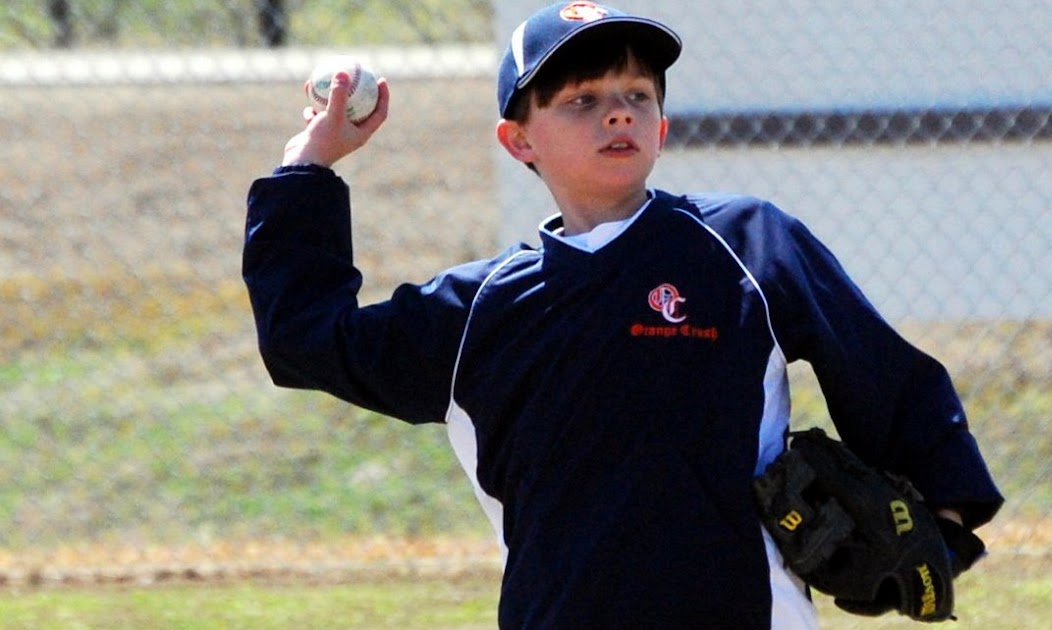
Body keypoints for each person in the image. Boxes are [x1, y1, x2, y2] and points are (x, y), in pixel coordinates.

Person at [242, 2, 1004, 628]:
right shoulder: (479, 312)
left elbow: (882, 372)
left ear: (662, 126)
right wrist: (308, 168)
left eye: (638, 95)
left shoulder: (746, 246)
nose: (618, 115)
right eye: (582, 100)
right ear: (519, 140)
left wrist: (945, 518)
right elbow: (307, 339)